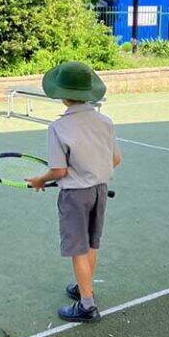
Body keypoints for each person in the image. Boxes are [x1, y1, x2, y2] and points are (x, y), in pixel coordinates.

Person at [27, 62, 121, 323]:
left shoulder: (59, 128)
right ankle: (84, 288)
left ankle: (87, 305)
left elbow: (58, 171)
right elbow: (116, 159)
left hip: (75, 196)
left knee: (77, 249)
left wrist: (39, 180)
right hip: (101, 191)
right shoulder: (105, 121)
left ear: (62, 95)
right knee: (91, 243)